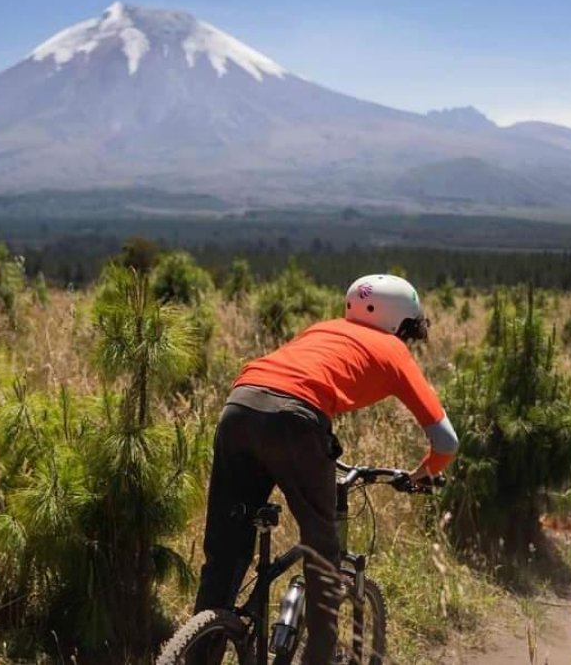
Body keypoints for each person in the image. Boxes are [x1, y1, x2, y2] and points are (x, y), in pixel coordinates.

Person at [192, 273, 458, 664]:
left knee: (226, 549)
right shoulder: (393, 349)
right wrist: (425, 473)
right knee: (322, 552)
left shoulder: (323, 329)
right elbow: (446, 442)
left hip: (240, 405)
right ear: (400, 322)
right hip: (296, 421)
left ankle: (201, 645)